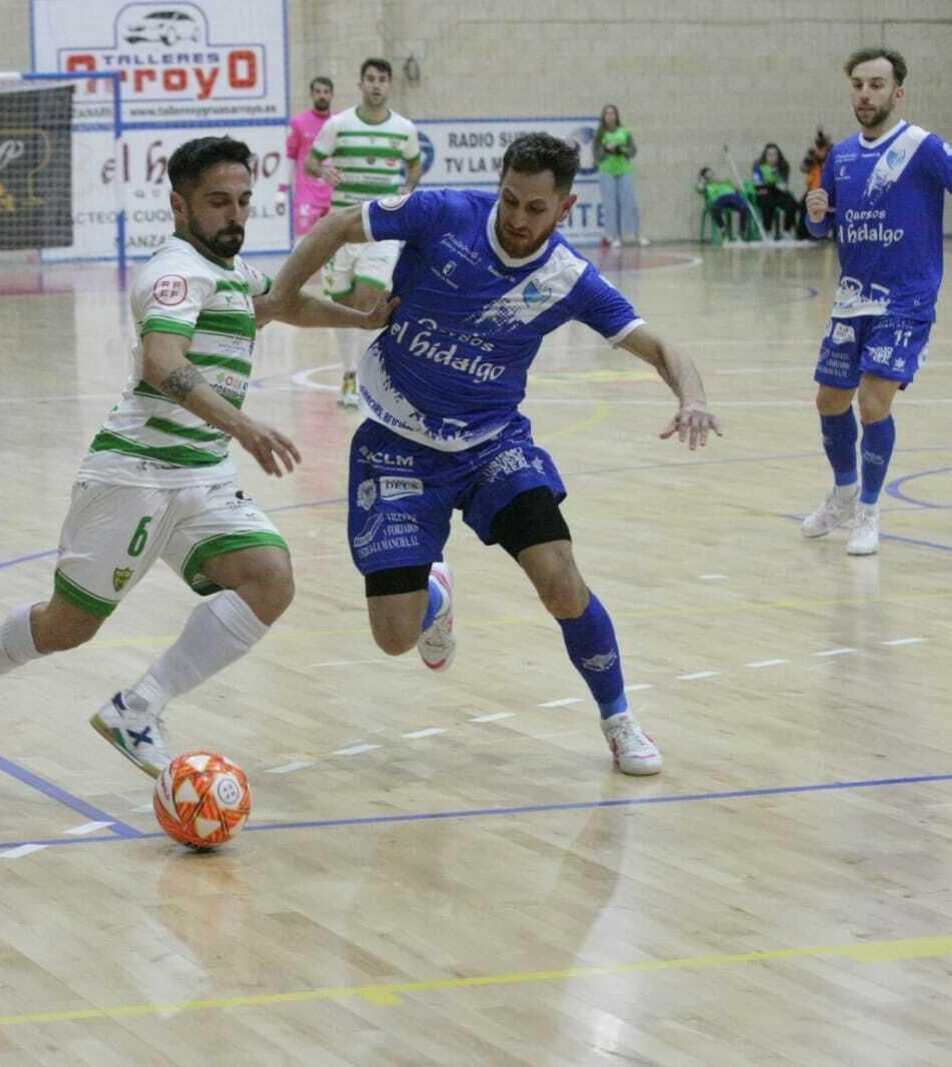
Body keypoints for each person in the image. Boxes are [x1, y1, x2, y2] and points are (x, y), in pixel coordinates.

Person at [0, 136, 394, 776]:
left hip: (201, 476)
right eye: (218, 202)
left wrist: (359, 320)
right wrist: (246, 426)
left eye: (243, 201)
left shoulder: (228, 270)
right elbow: (161, 361)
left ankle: (138, 707)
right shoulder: (174, 274)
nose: (235, 215)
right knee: (68, 628)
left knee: (270, 578)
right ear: (180, 206)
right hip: (134, 474)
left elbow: (282, 303)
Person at [269, 133, 723, 776]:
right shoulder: (444, 214)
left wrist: (693, 397)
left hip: (490, 446)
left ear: (564, 209)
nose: (517, 218)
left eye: (536, 209)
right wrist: (285, 295)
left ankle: (619, 719)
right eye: (510, 199)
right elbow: (341, 223)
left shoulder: (566, 278)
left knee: (560, 578)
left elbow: (657, 346)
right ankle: (434, 597)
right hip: (395, 441)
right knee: (393, 637)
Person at [800, 47, 952, 555]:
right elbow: (823, 225)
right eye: (859, 85)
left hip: (906, 299)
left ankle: (868, 509)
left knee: (872, 404)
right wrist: (817, 213)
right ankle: (843, 492)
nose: (866, 94)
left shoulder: (922, 147)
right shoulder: (840, 155)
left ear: (897, 93)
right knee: (829, 401)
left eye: (877, 85)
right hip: (852, 298)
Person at [305, 58, 423, 409]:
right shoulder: (339, 124)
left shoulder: (404, 128)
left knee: (369, 299)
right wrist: (324, 172)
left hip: (382, 228)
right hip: (340, 228)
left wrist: (408, 186)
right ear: (361, 84)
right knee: (340, 307)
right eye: (369, 79)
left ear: (389, 85)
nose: (376, 85)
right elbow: (312, 161)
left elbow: (415, 163)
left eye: (382, 80)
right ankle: (349, 374)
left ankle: (377, 376)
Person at [277, 76, 336, 242]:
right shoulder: (298, 123)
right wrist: (282, 190)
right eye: (317, 91)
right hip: (307, 196)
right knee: (303, 246)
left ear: (331, 95)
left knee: (334, 251)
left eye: (325, 92)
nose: (322, 96)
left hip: (334, 196)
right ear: (312, 94)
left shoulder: (339, 122)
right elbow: (290, 157)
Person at [593, 104, 646, 249]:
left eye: (612, 113)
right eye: (607, 114)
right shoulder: (600, 135)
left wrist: (621, 149)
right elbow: (597, 156)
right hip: (607, 171)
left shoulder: (625, 132)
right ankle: (614, 236)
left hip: (624, 170)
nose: (610, 116)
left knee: (630, 203)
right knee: (611, 205)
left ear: (616, 116)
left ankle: (636, 234)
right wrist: (606, 149)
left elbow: (633, 151)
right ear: (603, 117)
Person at [751, 143, 802, 239]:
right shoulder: (758, 166)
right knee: (767, 203)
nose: (772, 157)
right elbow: (758, 184)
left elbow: (783, 185)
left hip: (779, 193)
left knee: (792, 204)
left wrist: (772, 185)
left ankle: (787, 230)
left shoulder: (783, 166)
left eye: (774, 154)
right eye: (769, 155)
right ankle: (768, 231)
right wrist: (772, 185)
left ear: (778, 156)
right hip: (764, 193)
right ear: (765, 156)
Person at [697, 166, 752, 241]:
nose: (711, 176)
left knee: (744, 208)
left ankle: (742, 231)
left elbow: (737, 190)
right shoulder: (707, 185)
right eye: (708, 175)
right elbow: (699, 189)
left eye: (711, 173)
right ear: (705, 177)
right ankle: (723, 229)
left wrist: (739, 189)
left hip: (732, 196)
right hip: (719, 198)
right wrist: (703, 181)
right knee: (715, 209)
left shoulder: (725, 181)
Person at [796, 128, 832, 239]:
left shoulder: (833, 154)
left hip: (828, 190)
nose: (821, 152)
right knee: (803, 205)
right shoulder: (812, 155)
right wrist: (812, 153)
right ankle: (802, 234)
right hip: (813, 189)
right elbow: (803, 168)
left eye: (823, 149)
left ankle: (824, 234)